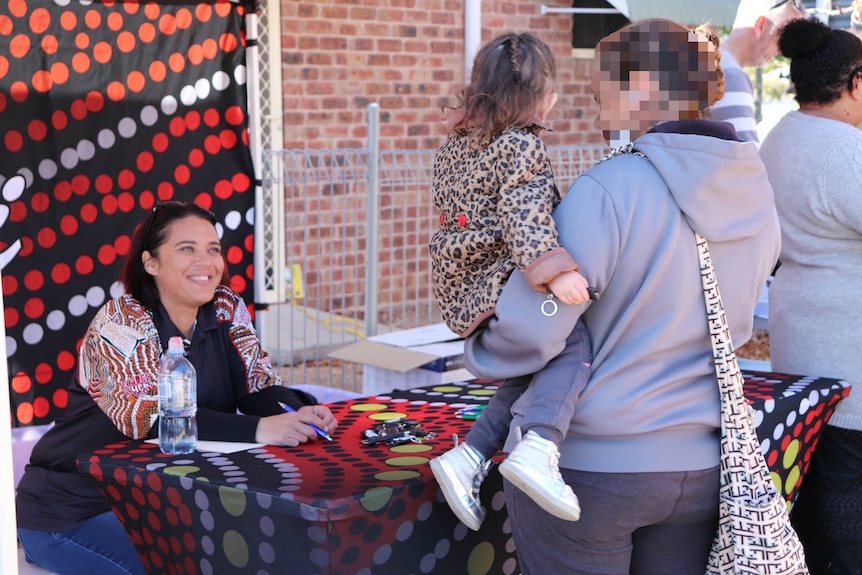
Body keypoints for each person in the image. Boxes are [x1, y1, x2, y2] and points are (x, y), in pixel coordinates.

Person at [463, 19, 781, 574]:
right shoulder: (757, 190)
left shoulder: (611, 188)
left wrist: (482, 341)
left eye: (598, 93)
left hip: (589, 469)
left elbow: (539, 326)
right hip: (703, 468)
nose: (593, 109)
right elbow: (738, 325)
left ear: (638, 86)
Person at [15, 201, 338, 575]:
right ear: (151, 263)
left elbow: (256, 387)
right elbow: (153, 420)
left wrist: (296, 410)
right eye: (187, 249)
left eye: (212, 249)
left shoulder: (225, 307)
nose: (206, 261)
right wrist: (261, 428)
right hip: (72, 511)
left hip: (160, 504)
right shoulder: (120, 323)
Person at [428, 31, 593, 530]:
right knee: (572, 344)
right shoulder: (520, 146)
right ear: (541, 98)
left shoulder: (459, 143)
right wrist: (555, 271)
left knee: (531, 364)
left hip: (464, 284)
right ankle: (540, 445)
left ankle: (470, 456)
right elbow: (524, 211)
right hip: (498, 280)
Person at [759, 17, 862, 575]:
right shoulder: (845, 151)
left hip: (801, 352)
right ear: (857, 83)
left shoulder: (780, 136)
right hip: (851, 364)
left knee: (813, 514)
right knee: (848, 525)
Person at [703, 0, 807, 143]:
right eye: (784, 38)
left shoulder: (711, 62)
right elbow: (745, 159)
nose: (783, 50)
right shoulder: (730, 76)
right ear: (761, 25)